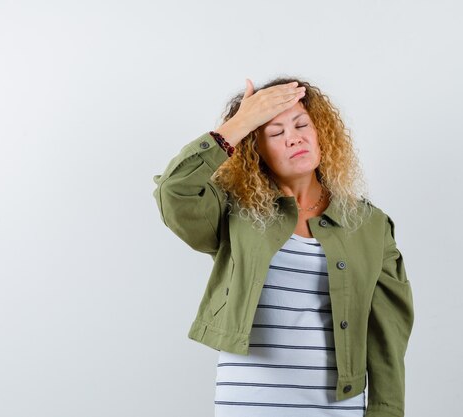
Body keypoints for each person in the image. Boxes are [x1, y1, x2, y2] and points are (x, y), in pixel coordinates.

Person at [152, 77, 414, 417]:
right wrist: (240, 123)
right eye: (275, 133)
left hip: (338, 407)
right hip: (249, 405)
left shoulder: (369, 225)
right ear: (255, 149)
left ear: (321, 132)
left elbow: (388, 333)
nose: (294, 137)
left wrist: (386, 411)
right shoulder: (233, 210)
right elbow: (174, 192)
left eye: (302, 124)